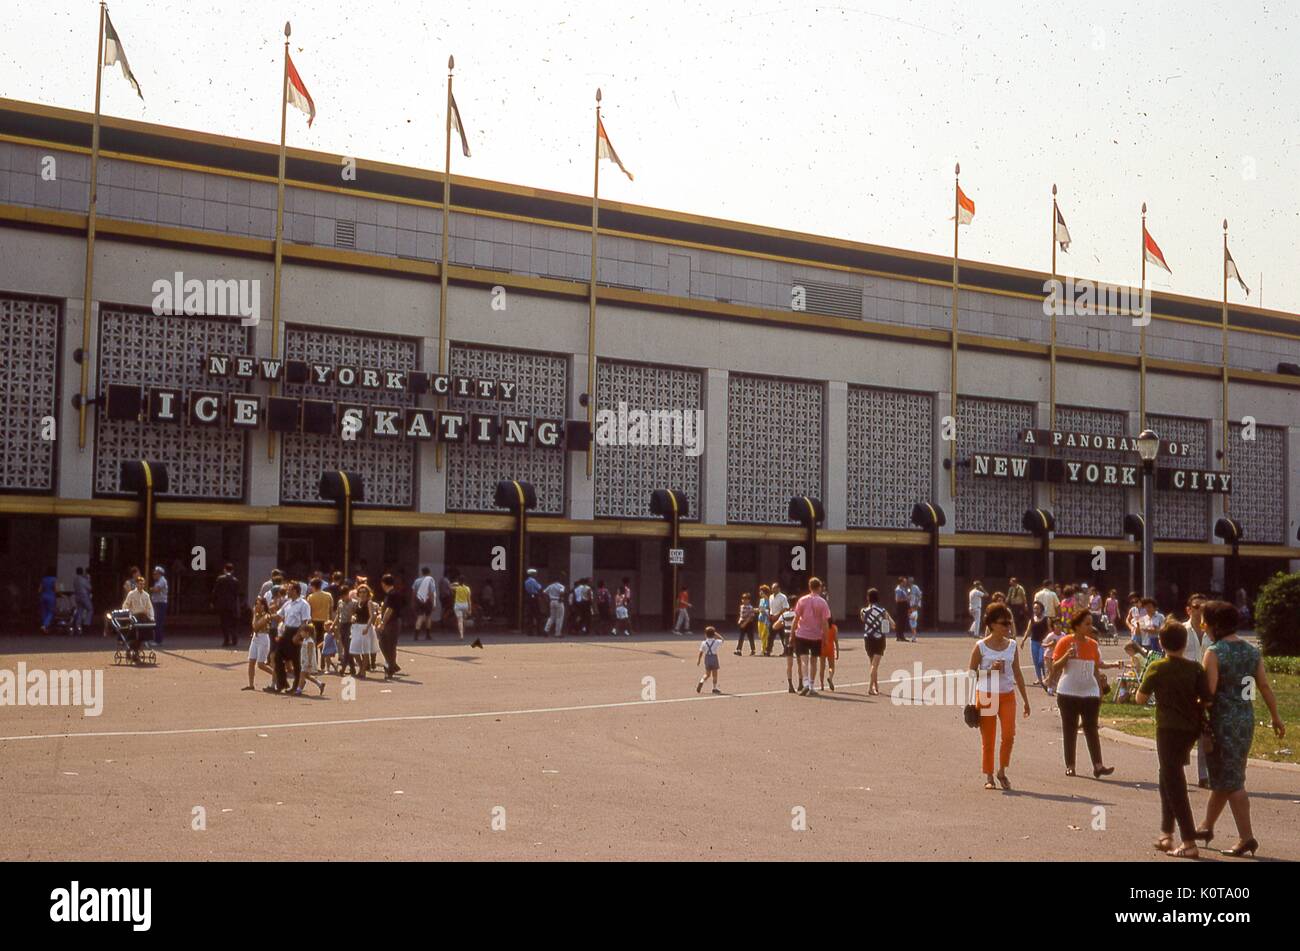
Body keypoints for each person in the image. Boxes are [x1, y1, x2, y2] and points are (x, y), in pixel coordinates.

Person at [1194, 600, 1286, 857]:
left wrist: (1194, 703)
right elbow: (1265, 686)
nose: (1203, 627)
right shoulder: (1251, 651)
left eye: (1205, 622)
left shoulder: (1214, 651)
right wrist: (1276, 717)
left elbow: (1209, 693)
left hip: (1222, 721)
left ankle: (1246, 838)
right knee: (1227, 776)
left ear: (1214, 625)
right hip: (1245, 720)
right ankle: (1206, 826)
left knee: (1232, 781)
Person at [1136, 619, 1212, 858]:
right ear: (1185, 642)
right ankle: (1165, 833)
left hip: (1168, 729)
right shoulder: (1195, 669)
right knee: (1166, 774)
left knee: (1175, 782)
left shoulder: (1158, 667)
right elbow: (1206, 699)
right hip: (1190, 729)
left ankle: (1188, 841)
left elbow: (1140, 698)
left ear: (1161, 642)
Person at [968, 604, 1030, 790]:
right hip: (986, 695)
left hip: (1007, 694)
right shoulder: (980, 647)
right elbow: (971, 673)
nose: (1008, 627)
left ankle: (1002, 771)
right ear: (993, 624)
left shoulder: (1011, 646)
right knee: (989, 737)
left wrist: (1026, 700)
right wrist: (989, 671)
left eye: (1009, 623)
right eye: (1004, 623)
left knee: (1009, 735)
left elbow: (1017, 673)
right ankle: (989, 776)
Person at [1050, 608, 1116, 778]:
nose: (1089, 627)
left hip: (1089, 692)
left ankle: (1098, 765)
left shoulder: (1093, 644)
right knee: (1070, 729)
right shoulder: (1065, 642)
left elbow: (1095, 668)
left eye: (1090, 624)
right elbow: (1055, 666)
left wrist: (1100, 690)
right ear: (1077, 626)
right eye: (1086, 624)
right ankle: (1070, 765)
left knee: (1091, 728)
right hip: (1068, 692)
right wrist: (1066, 656)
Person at [1182, 594, 1211, 788]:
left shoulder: (1213, 632)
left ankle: (1204, 775)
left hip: (1207, 687)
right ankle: (1177, 767)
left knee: (1205, 732)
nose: (1200, 610)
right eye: (1197, 606)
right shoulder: (1180, 631)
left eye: (1204, 607)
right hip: (1185, 688)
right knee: (1184, 731)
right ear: (1189, 609)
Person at [792, 577, 830, 696]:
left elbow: (796, 618)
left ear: (809, 587)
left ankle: (806, 683)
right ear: (819, 588)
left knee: (804, 660)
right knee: (814, 661)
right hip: (816, 635)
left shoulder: (802, 600)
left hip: (802, 634)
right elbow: (825, 622)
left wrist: (792, 633)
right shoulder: (823, 602)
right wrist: (826, 637)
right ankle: (812, 686)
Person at [271, 581, 309, 693]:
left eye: (290, 589)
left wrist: (298, 636)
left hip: (296, 631)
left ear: (296, 591)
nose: (287, 591)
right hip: (286, 631)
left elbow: (305, 621)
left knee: (296, 661)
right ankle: (282, 683)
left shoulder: (303, 604)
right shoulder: (287, 603)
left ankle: (296, 685)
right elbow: (279, 616)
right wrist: (269, 615)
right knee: (277, 657)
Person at [859, 588, 890, 696]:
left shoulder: (863, 611)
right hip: (879, 638)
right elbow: (885, 627)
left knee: (872, 663)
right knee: (875, 665)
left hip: (868, 638)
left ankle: (876, 686)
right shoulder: (883, 611)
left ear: (868, 598)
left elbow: (863, 620)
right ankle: (870, 687)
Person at [242, 598, 275, 690]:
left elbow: (256, 626)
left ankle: (276, 675)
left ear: (264, 605)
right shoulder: (256, 614)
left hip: (263, 638)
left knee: (261, 664)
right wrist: (255, 614)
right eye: (256, 604)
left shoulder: (266, 615)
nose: (257, 606)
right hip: (255, 638)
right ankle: (251, 684)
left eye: (259, 604)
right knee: (251, 661)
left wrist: (254, 615)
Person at [378, 574, 406, 678]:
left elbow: (389, 610)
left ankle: (391, 666)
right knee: (387, 644)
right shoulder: (395, 593)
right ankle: (392, 665)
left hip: (391, 622)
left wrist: (382, 623)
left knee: (387, 644)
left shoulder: (391, 594)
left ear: (383, 583)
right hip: (394, 621)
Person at [348, 585, 378, 679]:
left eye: (364, 592)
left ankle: (363, 671)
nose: (362, 594)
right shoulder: (357, 603)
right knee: (354, 650)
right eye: (360, 592)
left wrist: (368, 627)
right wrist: (353, 618)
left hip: (365, 627)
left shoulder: (369, 603)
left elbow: (372, 616)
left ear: (368, 593)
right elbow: (354, 614)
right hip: (356, 627)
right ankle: (361, 667)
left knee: (365, 650)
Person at [121, 575, 155, 653]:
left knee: (148, 628)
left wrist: (152, 617)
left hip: (143, 616)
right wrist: (127, 615)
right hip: (134, 616)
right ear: (136, 584)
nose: (141, 585)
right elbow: (126, 605)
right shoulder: (131, 594)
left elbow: (150, 607)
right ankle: (132, 646)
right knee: (135, 632)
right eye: (140, 584)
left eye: (143, 584)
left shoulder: (146, 595)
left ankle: (142, 643)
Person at [1019, 601, 1050, 686]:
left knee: (1041, 661)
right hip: (1034, 642)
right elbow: (1028, 631)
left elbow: (1050, 631)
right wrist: (1023, 640)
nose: (1036, 610)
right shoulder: (1032, 619)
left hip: (1043, 643)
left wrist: (1048, 640)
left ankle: (1045, 677)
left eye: (1037, 608)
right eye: (1034, 608)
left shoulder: (1046, 619)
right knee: (1036, 662)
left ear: (1041, 609)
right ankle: (1039, 680)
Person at [211, 563, 241, 647]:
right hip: (232, 605)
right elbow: (237, 594)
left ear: (224, 569)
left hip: (222, 605)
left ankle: (226, 639)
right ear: (232, 570)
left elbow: (215, 592)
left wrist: (213, 602)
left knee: (224, 622)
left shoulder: (220, 579)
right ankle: (234, 637)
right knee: (233, 622)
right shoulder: (235, 580)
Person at [295, 622, 327, 696]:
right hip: (304, 660)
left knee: (302, 675)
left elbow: (310, 652)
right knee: (306, 675)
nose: (301, 634)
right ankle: (320, 684)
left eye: (302, 632)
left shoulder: (310, 641)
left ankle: (299, 689)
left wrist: (309, 662)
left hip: (307, 661)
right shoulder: (305, 640)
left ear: (307, 633)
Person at [696, 626, 724, 694]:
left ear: (705, 634)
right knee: (715, 674)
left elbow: (701, 652)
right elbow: (722, 639)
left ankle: (701, 681)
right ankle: (714, 688)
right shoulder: (716, 642)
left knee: (707, 674)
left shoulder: (704, 643)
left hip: (707, 658)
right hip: (714, 657)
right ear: (713, 634)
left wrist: (699, 660)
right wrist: (717, 634)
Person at [413, 566, 438, 640]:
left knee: (420, 617)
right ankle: (428, 634)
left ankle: (416, 634)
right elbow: (431, 593)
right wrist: (433, 603)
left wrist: (413, 601)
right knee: (428, 617)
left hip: (418, 600)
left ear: (422, 573)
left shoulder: (417, 581)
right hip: (427, 601)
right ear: (429, 573)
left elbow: (414, 592)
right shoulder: (430, 581)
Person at [766, 583, 790, 655]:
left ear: (778, 589)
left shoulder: (783, 597)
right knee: (770, 636)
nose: (773, 589)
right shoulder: (770, 597)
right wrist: (770, 615)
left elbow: (785, 607)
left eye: (774, 588)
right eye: (772, 588)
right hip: (772, 618)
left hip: (780, 619)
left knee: (783, 636)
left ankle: (786, 651)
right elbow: (770, 607)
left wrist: (778, 615)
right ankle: (768, 650)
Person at [149, 566, 169, 645]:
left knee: (158, 622)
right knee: (156, 621)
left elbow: (157, 589)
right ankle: (156, 639)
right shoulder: (157, 581)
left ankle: (158, 641)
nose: (154, 575)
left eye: (155, 573)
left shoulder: (162, 580)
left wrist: (151, 589)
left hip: (161, 603)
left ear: (159, 574)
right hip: (157, 603)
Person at [451, 575, 473, 642]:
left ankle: (461, 635)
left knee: (459, 621)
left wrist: (455, 583)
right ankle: (464, 629)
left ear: (459, 581)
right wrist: (470, 609)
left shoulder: (457, 588)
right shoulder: (467, 588)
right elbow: (469, 600)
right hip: (465, 605)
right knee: (464, 619)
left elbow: (449, 586)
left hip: (458, 605)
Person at [73, 567, 93, 636]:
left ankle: (78, 626)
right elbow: (89, 587)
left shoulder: (75, 579)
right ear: (82, 572)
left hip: (77, 597)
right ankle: (86, 624)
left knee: (80, 611)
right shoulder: (83, 579)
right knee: (90, 609)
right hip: (84, 596)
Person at [523, 568, 544, 635]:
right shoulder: (533, 581)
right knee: (538, 615)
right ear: (532, 574)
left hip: (528, 597)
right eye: (535, 574)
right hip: (534, 597)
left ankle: (529, 632)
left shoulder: (526, 581)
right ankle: (539, 631)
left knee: (530, 615)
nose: (536, 575)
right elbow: (539, 587)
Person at [37, 568, 58, 634]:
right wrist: (59, 594)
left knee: (44, 612)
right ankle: (45, 625)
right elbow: (55, 589)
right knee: (51, 612)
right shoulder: (54, 579)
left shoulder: (43, 579)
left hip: (43, 596)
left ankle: (45, 627)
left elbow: (39, 590)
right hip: (51, 597)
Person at [893, 577, 910, 643]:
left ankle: (901, 636)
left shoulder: (903, 589)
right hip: (900, 606)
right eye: (904, 582)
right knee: (900, 621)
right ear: (901, 582)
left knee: (903, 621)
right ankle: (898, 636)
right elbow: (897, 599)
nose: (905, 583)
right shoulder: (898, 589)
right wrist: (906, 599)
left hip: (904, 606)